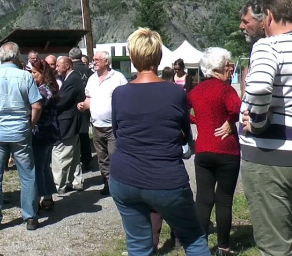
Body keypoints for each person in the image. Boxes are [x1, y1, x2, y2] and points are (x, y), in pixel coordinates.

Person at [110, 28, 210, 256]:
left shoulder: (119, 93)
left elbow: (117, 132)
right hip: (166, 179)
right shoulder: (174, 93)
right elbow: (185, 133)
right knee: (193, 238)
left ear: (132, 57)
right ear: (158, 56)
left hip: (124, 177)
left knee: (138, 244)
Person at [241, 0, 292, 256]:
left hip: (272, 157)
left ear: (268, 15)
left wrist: (257, 123)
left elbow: (257, 88)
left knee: (275, 247)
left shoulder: (269, 46)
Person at [0, 42, 42, 231]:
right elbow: (37, 105)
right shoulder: (25, 76)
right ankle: (30, 216)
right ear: (17, 56)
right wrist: (30, 125)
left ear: (1, 56)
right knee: (27, 175)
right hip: (20, 131)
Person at [188, 47, 241, 256]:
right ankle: (223, 247)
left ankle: (200, 247)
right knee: (224, 199)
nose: (231, 69)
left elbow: (182, 110)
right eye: (228, 64)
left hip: (203, 151)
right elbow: (236, 108)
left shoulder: (195, 91)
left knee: (203, 198)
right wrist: (230, 121)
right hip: (227, 150)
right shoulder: (226, 90)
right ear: (220, 67)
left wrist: (197, 120)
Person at [78, 50, 127, 195]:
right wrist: (83, 105)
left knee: (114, 156)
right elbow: (89, 98)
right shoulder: (92, 78)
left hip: (113, 126)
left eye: (97, 59)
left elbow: (125, 100)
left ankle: (119, 185)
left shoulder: (118, 78)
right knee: (102, 159)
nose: (94, 62)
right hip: (97, 126)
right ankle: (108, 183)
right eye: (93, 59)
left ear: (107, 61)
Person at [52, 56, 86, 194]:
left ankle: (58, 185)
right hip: (72, 123)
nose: (56, 68)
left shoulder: (72, 80)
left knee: (60, 154)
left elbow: (61, 102)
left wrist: (46, 104)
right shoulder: (72, 78)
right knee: (74, 156)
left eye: (59, 65)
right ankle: (76, 181)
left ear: (67, 66)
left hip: (67, 124)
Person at [30, 60, 59, 210]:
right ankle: (47, 197)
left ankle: (36, 199)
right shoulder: (50, 88)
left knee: (37, 168)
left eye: (34, 73)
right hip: (49, 133)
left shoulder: (42, 91)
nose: (32, 76)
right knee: (44, 167)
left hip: (41, 134)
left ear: (43, 74)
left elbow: (36, 107)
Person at [69, 47, 93, 172]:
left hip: (72, 106)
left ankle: (74, 161)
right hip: (87, 104)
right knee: (84, 133)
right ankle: (87, 159)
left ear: (70, 57)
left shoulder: (70, 70)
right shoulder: (88, 71)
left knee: (73, 134)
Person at [238, 0, 265, 98]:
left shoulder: (268, 50)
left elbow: (259, 92)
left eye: (246, 22)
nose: (241, 26)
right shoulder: (257, 49)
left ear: (263, 22)